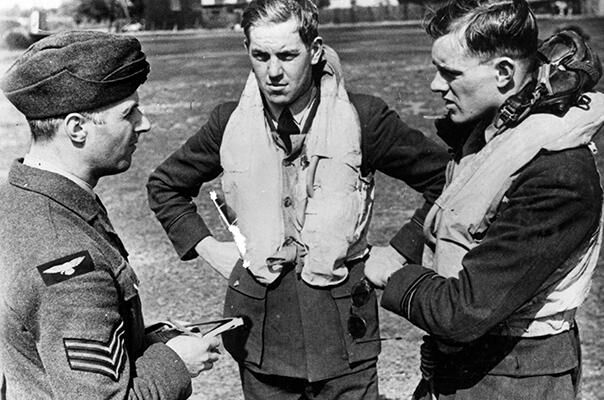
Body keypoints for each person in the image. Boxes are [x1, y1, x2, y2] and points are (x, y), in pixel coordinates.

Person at [146, 0, 449, 398]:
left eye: (288, 56)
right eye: (261, 56)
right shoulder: (228, 121)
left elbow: (447, 180)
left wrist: (400, 249)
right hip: (260, 336)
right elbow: (165, 185)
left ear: (316, 50)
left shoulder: (364, 118)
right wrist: (208, 248)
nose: (273, 72)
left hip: (344, 336)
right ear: (247, 53)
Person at [364, 0, 604, 398]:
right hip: (462, 368)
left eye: (449, 73)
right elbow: (457, 202)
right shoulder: (491, 133)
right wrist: (402, 247)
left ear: (505, 73)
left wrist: (391, 275)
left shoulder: (558, 175)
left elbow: (463, 311)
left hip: (516, 379)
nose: (435, 86)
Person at [0, 31, 221, 399]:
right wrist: (175, 361)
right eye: (129, 113)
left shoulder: (19, 200)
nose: (144, 124)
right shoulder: (68, 261)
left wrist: (148, 341)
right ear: (77, 128)